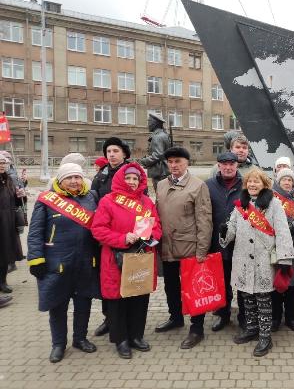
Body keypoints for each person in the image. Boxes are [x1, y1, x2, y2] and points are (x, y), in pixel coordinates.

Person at [27, 163, 99, 363]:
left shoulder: (91, 198)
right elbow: (34, 233)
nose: (74, 181)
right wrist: (35, 259)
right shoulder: (47, 200)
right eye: (69, 178)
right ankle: (58, 344)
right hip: (57, 263)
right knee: (57, 305)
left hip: (85, 261)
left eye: (77, 177)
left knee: (84, 303)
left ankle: (80, 338)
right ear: (60, 180)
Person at [220, 167, 294, 357]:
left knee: (263, 300)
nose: (252, 184)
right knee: (247, 298)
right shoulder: (240, 205)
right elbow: (232, 230)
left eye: (256, 181)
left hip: (264, 260)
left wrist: (284, 259)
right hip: (243, 259)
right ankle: (252, 328)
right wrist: (224, 232)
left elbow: (283, 231)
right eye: (249, 182)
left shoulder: (274, 204)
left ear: (264, 184)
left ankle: (265, 336)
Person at [91, 163, 162, 359]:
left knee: (139, 298)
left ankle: (136, 336)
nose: (131, 182)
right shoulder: (108, 201)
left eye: (135, 179)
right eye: (128, 178)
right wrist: (123, 238)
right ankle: (120, 339)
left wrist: (147, 237)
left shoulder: (147, 202)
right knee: (118, 300)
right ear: (121, 179)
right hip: (116, 258)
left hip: (140, 256)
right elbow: (98, 229)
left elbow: (156, 228)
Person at [154, 147, 213, 349]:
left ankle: (197, 328)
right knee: (170, 285)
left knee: (193, 288)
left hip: (189, 246)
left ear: (187, 162)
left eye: (178, 161)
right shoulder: (161, 185)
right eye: (170, 162)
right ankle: (175, 317)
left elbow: (204, 220)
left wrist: (202, 251)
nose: (173, 165)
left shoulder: (198, 186)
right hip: (166, 246)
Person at [91, 136, 131, 337]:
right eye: (108, 152)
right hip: (106, 238)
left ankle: (128, 319)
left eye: (116, 151)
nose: (112, 155)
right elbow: (92, 202)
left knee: (128, 280)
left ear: (124, 154)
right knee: (107, 280)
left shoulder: (132, 173)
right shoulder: (101, 176)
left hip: (129, 238)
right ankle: (109, 318)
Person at [206, 152, 246, 332]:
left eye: (232, 164)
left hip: (241, 244)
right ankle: (223, 315)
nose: (228, 167)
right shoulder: (208, 185)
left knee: (243, 283)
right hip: (217, 242)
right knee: (222, 282)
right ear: (219, 166)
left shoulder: (246, 184)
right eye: (224, 164)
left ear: (237, 165)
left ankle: (244, 316)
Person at [271, 168, 294, 332]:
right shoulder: (270, 198)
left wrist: (293, 226)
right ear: (278, 182)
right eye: (284, 180)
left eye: (290, 180)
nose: (287, 183)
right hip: (275, 248)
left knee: (292, 286)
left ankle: (291, 318)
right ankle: (275, 317)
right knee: (276, 285)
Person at [0, 154, 24, 294]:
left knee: (6, 253)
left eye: (3, 162)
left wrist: (20, 195)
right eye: (0, 163)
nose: (2, 165)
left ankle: (3, 281)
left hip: (8, 220)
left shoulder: (8, 180)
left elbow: (14, 201)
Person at [139, 112, 171, 191]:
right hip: (164, 171)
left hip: (160, 172)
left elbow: (157, 155)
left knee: (161, 196)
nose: (148, 125)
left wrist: (142, 161)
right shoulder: (164, 134)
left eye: (149, 122)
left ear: (155, 123)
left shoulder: (157, 137)